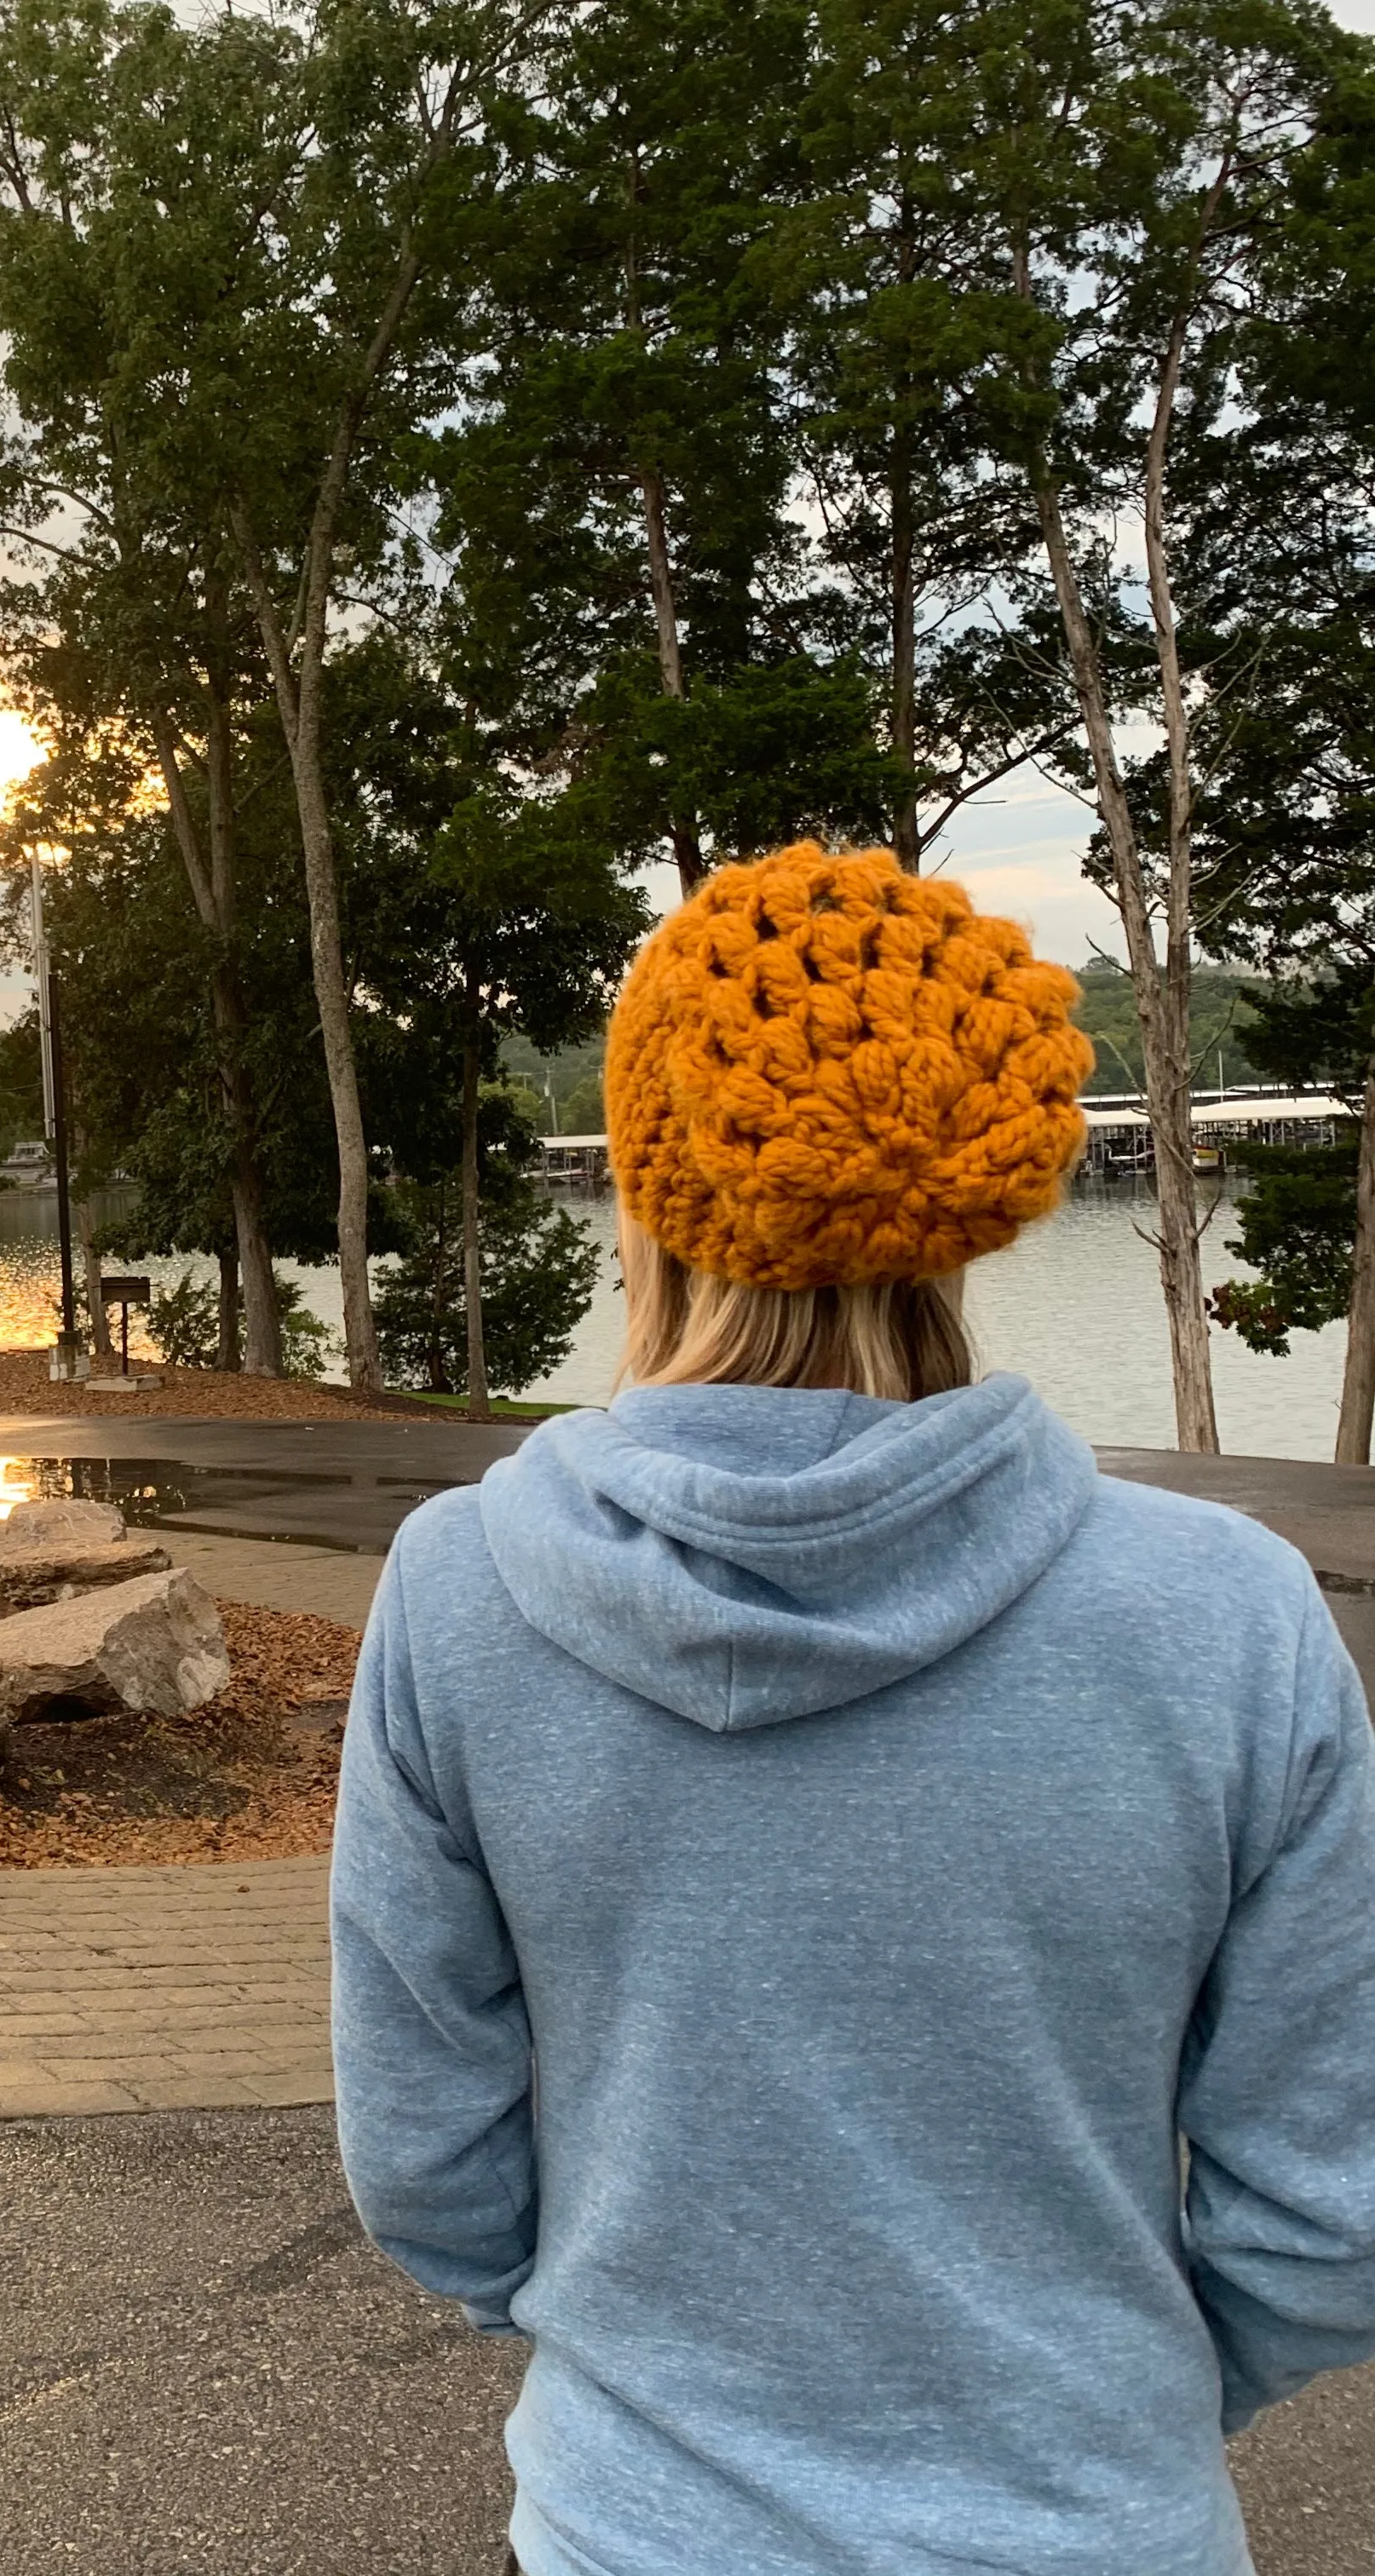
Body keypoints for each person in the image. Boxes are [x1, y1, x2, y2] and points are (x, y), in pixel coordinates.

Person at [331, 842, 1375, 2576]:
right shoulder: (1229, 1619)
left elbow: (426, 2162)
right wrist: (1109, 2415)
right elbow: (1333, 2213)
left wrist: (631, 2372)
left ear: (655, 1189)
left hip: (627, 2529)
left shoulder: (462, 1598)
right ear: (979, 1181)